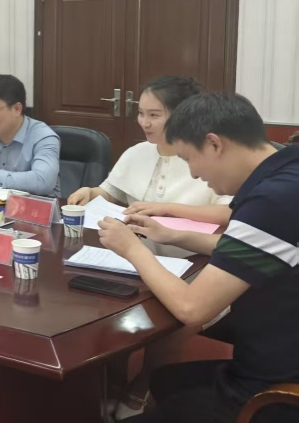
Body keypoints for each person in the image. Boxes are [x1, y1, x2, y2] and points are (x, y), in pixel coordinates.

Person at [99, 93, 299, 423]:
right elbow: (256, 247)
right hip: (270, 357)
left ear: (214, 144)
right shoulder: (286, 169)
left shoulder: (272, 201)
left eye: (189, 158)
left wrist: (133, 249)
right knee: (166, 381)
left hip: (272, 390)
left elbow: (192, 309)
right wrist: (172, 235)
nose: (192, 174)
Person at [69, 76, 231, 228]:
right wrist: (91, 193)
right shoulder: (136, 152)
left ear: (182, 116)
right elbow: (112, 192)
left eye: (153, 115)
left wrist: (166, 208)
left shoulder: (210, 159)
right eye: (141, 113)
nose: (144, 123)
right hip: (134, 244)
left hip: (191, 247)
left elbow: (228, 213)